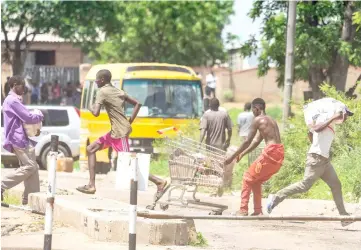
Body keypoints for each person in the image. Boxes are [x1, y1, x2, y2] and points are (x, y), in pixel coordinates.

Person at [76, 69, 167, 195]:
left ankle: (158, 181)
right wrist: (129, 122)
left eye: (97, 80)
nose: (96, 83)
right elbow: (138, 104)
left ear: (102, 80)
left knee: (129, 162)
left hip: (120, 133)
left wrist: (91, 106)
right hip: (115, 132)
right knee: (91, 148)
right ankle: (91, 185)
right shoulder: (118, 91)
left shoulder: (102, 91)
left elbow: (96, 113)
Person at [267, 108, 354, 226]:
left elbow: (310, 133)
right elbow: (316, 129)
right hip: (316, 159)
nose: (347, 117)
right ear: (339, 113)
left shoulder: (332, 125)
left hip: (324, 161)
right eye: (346, 114)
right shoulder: (326, 119)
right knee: (304, 186)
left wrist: (316, 144)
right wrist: (333, 117)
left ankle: (343, 217)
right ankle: (275, 197)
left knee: (336, 185)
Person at [225, 98, 284, 216]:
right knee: (255, 180)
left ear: (257, 108)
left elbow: (247, 141)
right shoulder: (271, 120)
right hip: (279, 153)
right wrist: (243, 153)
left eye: (253, 110)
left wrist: (232, 156)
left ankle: (243, 210)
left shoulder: (258, 120)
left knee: (247, 177)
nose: (252, 112)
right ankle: (257, 211)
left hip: (270, 152)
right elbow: (256, 141)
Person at [1, 75, 44, 205]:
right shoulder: (12, 101)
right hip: (17, 139)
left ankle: (30, 200)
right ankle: (2, 185)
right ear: (15, 85)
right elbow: (28, 117)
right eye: (22, 86)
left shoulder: (14, 100)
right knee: (30, 167)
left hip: (22, 138)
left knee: (33, 168)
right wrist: (40, 115)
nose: (24, 89)